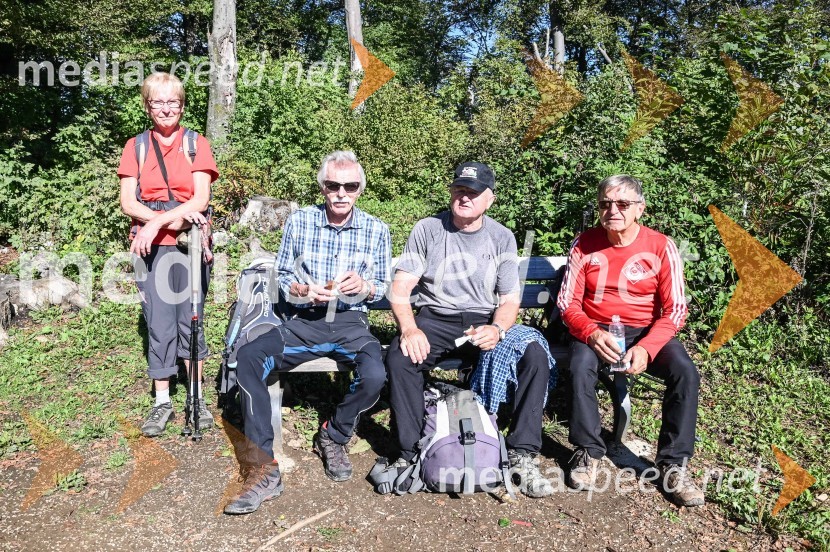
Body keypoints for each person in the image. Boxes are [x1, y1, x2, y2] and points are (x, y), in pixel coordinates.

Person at [223, 150, 391, 515]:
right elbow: (282, 277)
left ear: (360, 188)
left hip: (350, 322)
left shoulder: (377, 229)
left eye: (350, 185)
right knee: (249, 356)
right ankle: (264, 467)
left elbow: (384, 286)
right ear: (322, 187)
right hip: (302, 321)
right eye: (333, 185)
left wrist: (364, 285)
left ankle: (334, 434)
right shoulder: (300, 222)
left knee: (376, 373)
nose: (341, 192)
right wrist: (299, 290)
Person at [385, 162, 556, 498]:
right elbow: (401, 289)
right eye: (459, 190)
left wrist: (497, 329)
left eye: (473, 192)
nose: (464, 197)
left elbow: (509, 299)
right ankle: (412, 451)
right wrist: (409, 329)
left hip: (482, 322)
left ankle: (522, 453)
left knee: (533, 355)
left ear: (489, 199)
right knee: (399, 357)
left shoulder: (501, 237)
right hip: (435, 318)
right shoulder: (429, 229)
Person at [557, 174, 704, 506]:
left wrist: (648, 347)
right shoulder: (584, 244)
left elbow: (676, 309)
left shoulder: (660, 246)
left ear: (640, 209)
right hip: (595, 327)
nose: (613, 210)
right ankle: (589, 451)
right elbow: (568, 303)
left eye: (623, 204)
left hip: (645, 330)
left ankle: (673, 465)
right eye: (605, 204)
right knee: (581, 365)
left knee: (685, 372)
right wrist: (592, 333)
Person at [117, 72, 219, 437]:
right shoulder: (136, 146)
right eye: (158, 102)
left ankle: (196, 397)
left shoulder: (196, 144)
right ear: (147, 106)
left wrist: (154, 223)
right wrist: (155, 226)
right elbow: (128, 201)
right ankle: (162, 402)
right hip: (151, 245)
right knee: (158, 323)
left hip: (189, 241)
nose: (166, 108)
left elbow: (200, 199)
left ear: (182, 105)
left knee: (190, 318)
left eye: (173, 101)